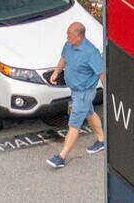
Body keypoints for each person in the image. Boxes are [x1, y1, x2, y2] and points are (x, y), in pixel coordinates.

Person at [44, 22, 105, 169]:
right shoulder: (69, 45)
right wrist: (56, 72)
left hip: (84, 93)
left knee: (74, 124)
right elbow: (63, 58)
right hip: (75, 91)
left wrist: (109, 94)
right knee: (89, 113)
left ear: (79, 37)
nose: (67, 37)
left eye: (70, 35)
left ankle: (61, 157)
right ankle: (101, 140)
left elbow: (102, 74)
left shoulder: (91, 53)